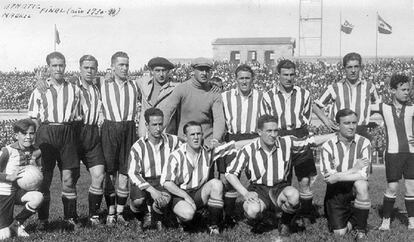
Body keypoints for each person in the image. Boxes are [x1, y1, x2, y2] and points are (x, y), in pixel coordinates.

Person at [226, 115, 333, 235]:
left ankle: (284, 221)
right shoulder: (249, 148)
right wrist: (245, 193)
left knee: (294, 195)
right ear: (259, 132)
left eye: (275, 130)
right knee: (252, 211)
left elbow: (311, 141)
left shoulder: (286, 142)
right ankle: (260, 221)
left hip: (280, 188)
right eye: (269, 131)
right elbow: (230, 173)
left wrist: (335, 135)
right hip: (259, 189)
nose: (273, 134)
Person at [161, 121, 246, 234]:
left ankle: (213, 225)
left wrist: (258, 140)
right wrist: (186, 196)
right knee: (188, 214)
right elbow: (167, 183)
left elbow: (234, 145)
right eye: (192, 134)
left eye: (199, 134)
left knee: (216, 183)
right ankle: (178, 218)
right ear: (185, 137)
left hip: (198, 193)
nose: (196, 137)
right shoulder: (176, 156)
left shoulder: (207, 152)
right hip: (180, 195)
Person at [28, 52, 81, 230]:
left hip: (67, 132)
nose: (58, 69)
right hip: (46, 133)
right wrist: (34, 144)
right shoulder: (39, 89)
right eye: (54, 65)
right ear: (48, 67)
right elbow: (34, 119)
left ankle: (70, 218)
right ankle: (43, 220)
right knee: (45, 179)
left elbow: (78, 114)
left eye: (61, 65)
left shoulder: (74, 89)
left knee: (68, 179)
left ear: (65, 66)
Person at [261, 60, 316, 223]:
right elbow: (267, 120)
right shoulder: (268, 95)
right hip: (280, 138)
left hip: (300, 136)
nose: (289, 78)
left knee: (304, 179)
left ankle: (306, 215)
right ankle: (281, 215)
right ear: (278, 75)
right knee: (281, 180)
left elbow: (306, 117)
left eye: (292, 74)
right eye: (285, 75)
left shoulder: (304, 94)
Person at [100, 51, 141, 225]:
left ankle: (120, 212)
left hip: (129, 129)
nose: (124, 68)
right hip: (110, 128)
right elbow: (79, 80)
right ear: (113, 67)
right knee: (109, 174)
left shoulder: (135, 85)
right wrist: (43, 81)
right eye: (121, 65)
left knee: (125, 173)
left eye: (126, 65)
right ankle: (110, 213)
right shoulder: (101, 83)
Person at [370, 74, 414, 230]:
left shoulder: (411, 108)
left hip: (411, 154)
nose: (407, 92)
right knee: (392, 187)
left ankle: (412, 220)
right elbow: (362, 109)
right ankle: (386, 220)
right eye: (403, 89)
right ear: (392, 90)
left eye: (408, 89)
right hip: (392, 154)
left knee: (411, 187)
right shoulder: (383, 107)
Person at [221, 64, 263, 226]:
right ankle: (229, 215)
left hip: (253, 138)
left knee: (257, 176)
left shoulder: (261, 96)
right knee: (230, 178)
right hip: (233, 138)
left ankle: (259, 212)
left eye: (247, 78)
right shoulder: (225, 96)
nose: (244, 81)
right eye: (241, 78)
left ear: (253, 79)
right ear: (236, 79)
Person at [320, 109, 371, 239]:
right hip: (336, 192)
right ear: (338, 125)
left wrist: (338, 176)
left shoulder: (364, 143)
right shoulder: (328, 146)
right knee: (340, 233)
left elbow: (364, 174)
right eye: (347, 123)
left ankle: (361, 229)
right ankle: (355, 216)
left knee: (362, 185)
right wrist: (353, 170)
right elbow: (329, 179)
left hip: (354, 188)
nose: (352, 126)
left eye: (354, 122)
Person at [128, 108, 181, 230]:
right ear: (147, 125)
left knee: (164, 199)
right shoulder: (138, 146)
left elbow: (189, 144)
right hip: (144, 182)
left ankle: (158, 216)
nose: (158, 128)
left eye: (160, 124)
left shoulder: (172, 141)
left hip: (163, 182)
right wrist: (152, 191)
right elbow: (133, 173)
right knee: (138, 200)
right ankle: (139, 216)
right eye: (154, 124)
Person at [159, 57, 226, 148]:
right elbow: (168, 111)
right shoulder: (182, 89)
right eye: (201, 70)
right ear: (194, 71)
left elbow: (219, 119)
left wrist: (216, 139)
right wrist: (159, 131)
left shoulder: (214, 92)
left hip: (206, 141)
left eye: (207, 70)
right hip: (184, 140)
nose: (204, 73)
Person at [313, 52, 379, 138]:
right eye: (349, 67)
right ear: (344, 69)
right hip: (340, 133)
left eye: (356, 66)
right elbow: (315, 106)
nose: (353, 70)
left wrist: (365, 114)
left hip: (361, 132)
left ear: (360, 68)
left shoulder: (369, 87)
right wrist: (327, 122)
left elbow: (378, 105)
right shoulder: (335, 87)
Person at [75, 55, 106, 225]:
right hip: (75, 134)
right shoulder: (71, 86)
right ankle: (70, 217)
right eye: (86, 68)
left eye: (93, 68)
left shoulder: (97, 88)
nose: (89, 71)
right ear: (80, 68)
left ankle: (93, 215)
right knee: (70, 179)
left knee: (99, 175)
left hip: (93, 133)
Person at [0, 119, 43, 239]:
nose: (28, 137)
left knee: (37, 197)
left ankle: (16, 224)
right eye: (24, 133)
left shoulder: (35, 151)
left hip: (19, 191)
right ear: (16, 135)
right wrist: (9, 177)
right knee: (4, 235)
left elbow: (38, 170)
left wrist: (36, 173)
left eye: (31, 133)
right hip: (4, 193)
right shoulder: (7, 151)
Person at [137, 57, 179, 137]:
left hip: (164, 134)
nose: (161, 74)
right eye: (157, 71)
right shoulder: (143, 83)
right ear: (152, 71)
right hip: (144, 134)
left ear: (168, 72)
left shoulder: (175, 88)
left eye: (164, 70)